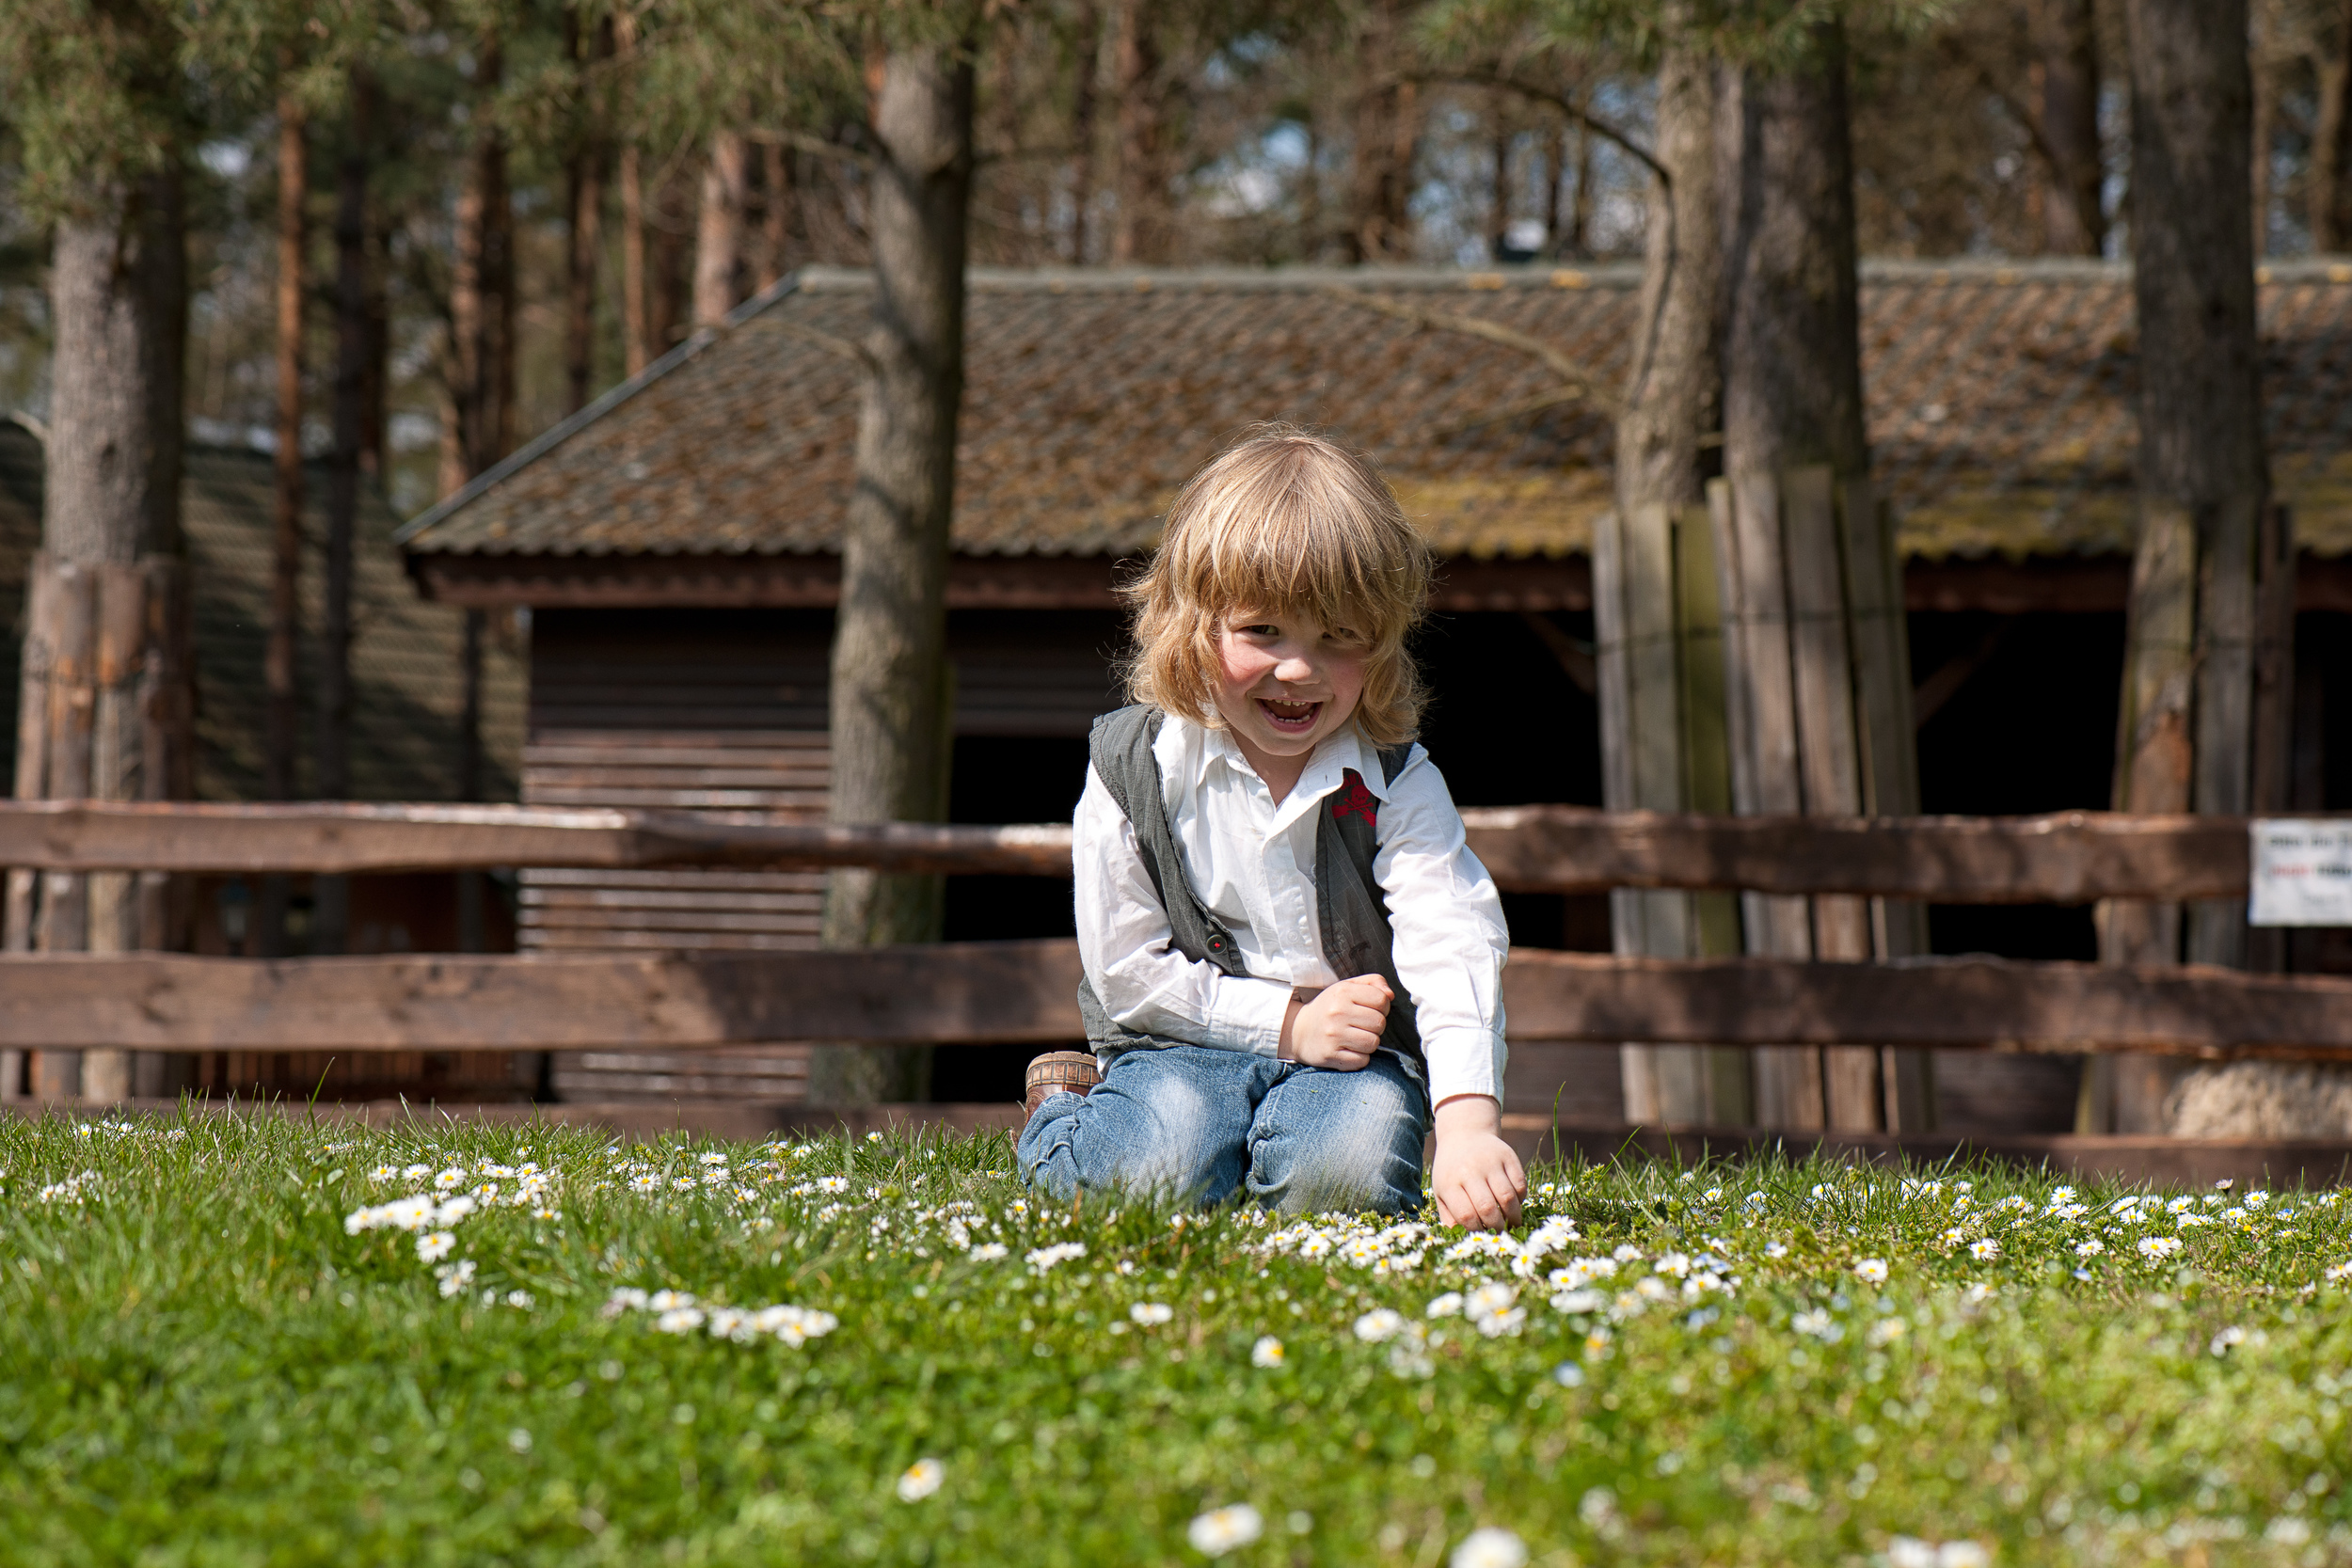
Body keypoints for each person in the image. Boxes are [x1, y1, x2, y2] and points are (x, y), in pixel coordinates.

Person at [1017, 425, 1526, 1230]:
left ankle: (1268, 1152)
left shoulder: (1396, 780)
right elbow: (1127, 973)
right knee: (1152, 1177)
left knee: (1342, 1185)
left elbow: (1452, 937)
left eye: (1339, 635)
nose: (1300, 668)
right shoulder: (1132, 767)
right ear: (1197, 625)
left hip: (1358, 1062)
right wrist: (1289, 1025)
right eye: (1264, 631)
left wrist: (1467, 1122)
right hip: (1180, 1044)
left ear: (1381, 641)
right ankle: (1063, 1115)